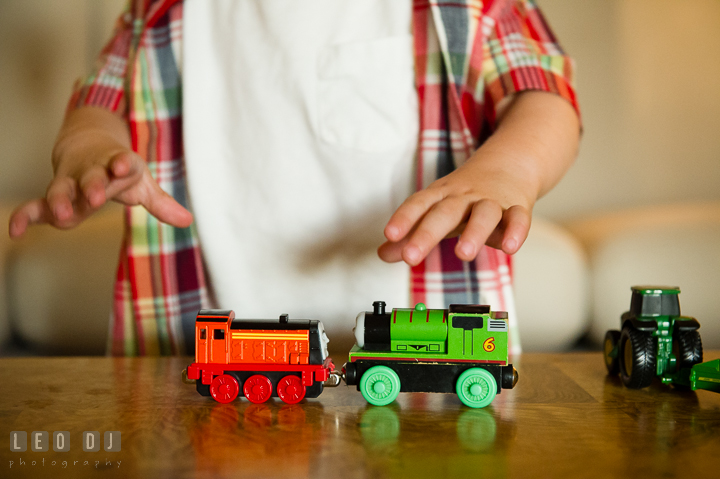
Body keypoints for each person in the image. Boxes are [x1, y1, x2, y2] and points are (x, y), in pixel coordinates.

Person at [8, 0, 580, 356]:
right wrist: (90, 149)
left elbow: (543, 91)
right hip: (192, 348)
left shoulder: (465, 5)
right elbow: (98, 102)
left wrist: (510, 167)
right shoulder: (158, 10)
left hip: (419, 354)